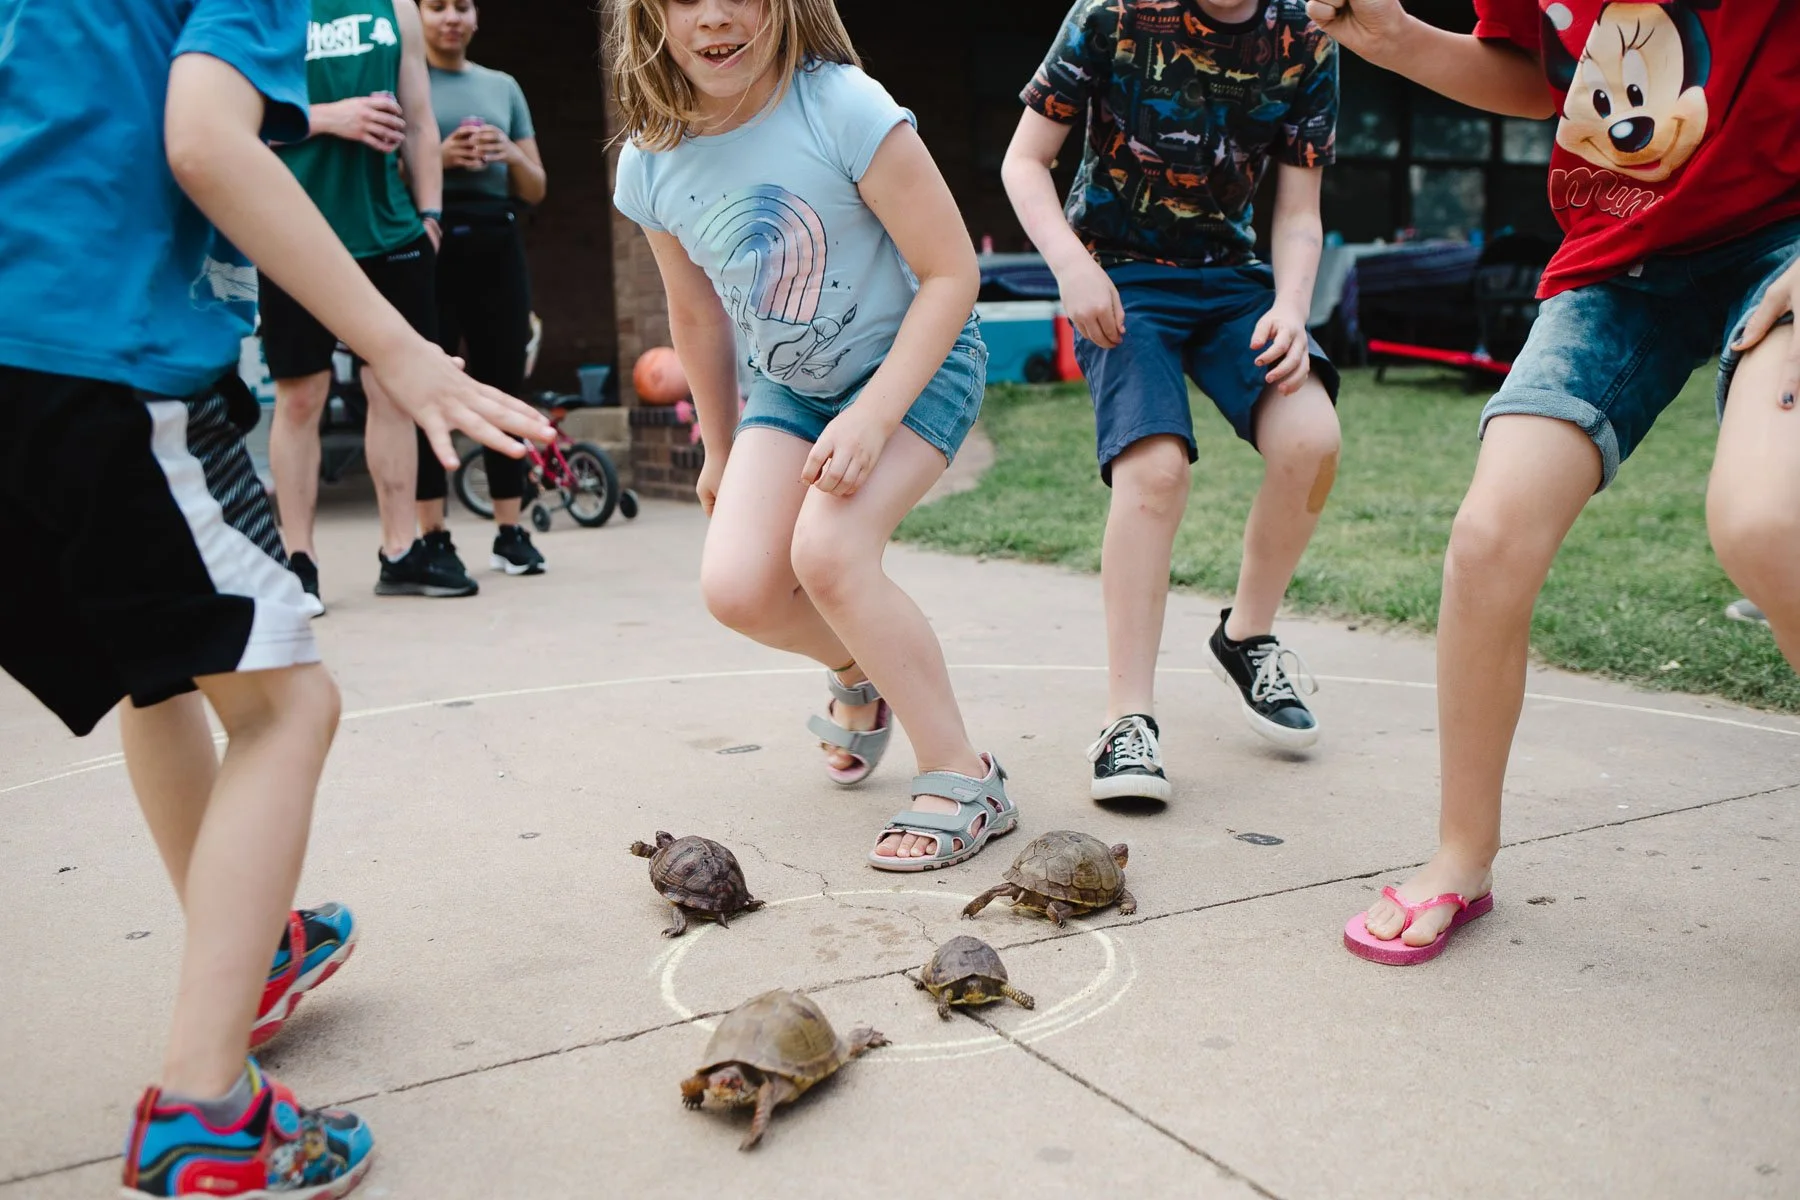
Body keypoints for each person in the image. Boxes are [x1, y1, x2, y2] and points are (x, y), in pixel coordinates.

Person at [0, 0, 551, 1193]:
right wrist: (400, 348)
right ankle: (206, 1106)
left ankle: (243, 953)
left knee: (168, 670)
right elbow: (205, 139)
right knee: (287, 705)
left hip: (29, 352)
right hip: (100, 354)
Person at [1309, 0, 1800, 963]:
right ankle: (1461, 856)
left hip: (1784, 230)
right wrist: (1396, 39)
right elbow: (1541, 77)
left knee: (1766, 523)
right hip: (1620, 258)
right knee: (1489, 540)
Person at [608, 0, 1021, 868]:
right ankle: (859, 674)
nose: (716, 17)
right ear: (650, 13)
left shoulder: (844, 108)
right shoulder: (650, 162)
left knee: (828, 554)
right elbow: (697, 317)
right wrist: (720, 447)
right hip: (790, 390)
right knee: (738, 589)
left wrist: (873, 417)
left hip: (916, 367)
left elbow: (953, 275)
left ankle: (962, 772)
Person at [1002, 0, 1343, 802]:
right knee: (1154, 473)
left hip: (1233, 282)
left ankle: (1246, 636)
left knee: (1312, 440)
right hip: (1118, 274)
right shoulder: (1111, 15)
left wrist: (1292, 308)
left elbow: (1299, 211)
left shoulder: (1307, 35)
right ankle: (1129, 720)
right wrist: (1070, 266)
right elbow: (1025, 161)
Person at [263, 0, 478, 611]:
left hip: (391, 232)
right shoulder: (264, 9)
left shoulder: (396, 9)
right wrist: (331, 116)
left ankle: (400, 551)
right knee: (300, 395)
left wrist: (430, 215)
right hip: (293, 230)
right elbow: (235, 124)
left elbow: (419, 120)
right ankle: (298, 562)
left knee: (393, 389)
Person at [417, 0, 552, 575]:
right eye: (437, 6)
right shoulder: (406, 79)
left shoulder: (503, 86)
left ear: (476, 17)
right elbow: (386, 178)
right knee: (428, 384)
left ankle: (510, 529)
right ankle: (432, 534)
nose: (452, 16)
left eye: (462, 6)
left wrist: (509, 152)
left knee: (505, 382)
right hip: (431, 241)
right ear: (417, 16)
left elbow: (537, 186)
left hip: (498, 238)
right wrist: (439, 158)